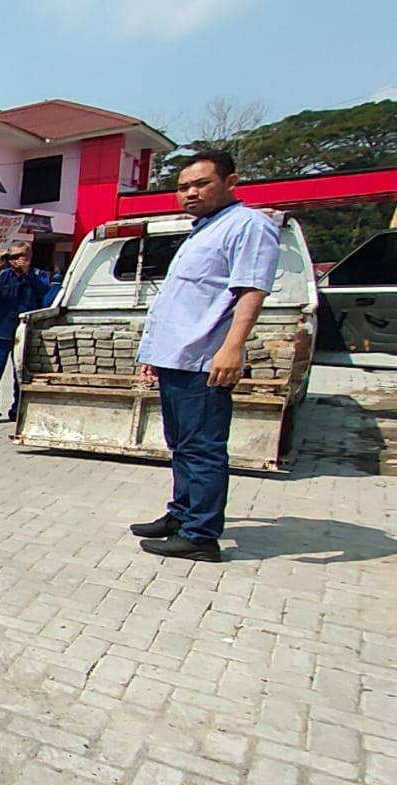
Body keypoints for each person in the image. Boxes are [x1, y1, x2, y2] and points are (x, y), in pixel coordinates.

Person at [132, 149, 281, 563]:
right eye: (183, 187)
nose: (190, 193)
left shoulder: (247, 226)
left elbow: (251, 289)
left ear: (231, 182)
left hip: (204, 359)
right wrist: (154, 353)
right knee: (181, 444)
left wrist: (232, 347)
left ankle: (201, 535)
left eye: (201, 184)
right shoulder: (203, 229)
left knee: (203, 448)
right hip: (177, 356)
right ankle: (181, 515)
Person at [0, 241, 51, 425]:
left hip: (23, 333)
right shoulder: (2, 276)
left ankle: (17, 410)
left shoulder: (39, 276)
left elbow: (45, 294)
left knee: (20, 376)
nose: (15, 261)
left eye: (19, 256)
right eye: (12, 257)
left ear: (28, 258)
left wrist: (27, 273)